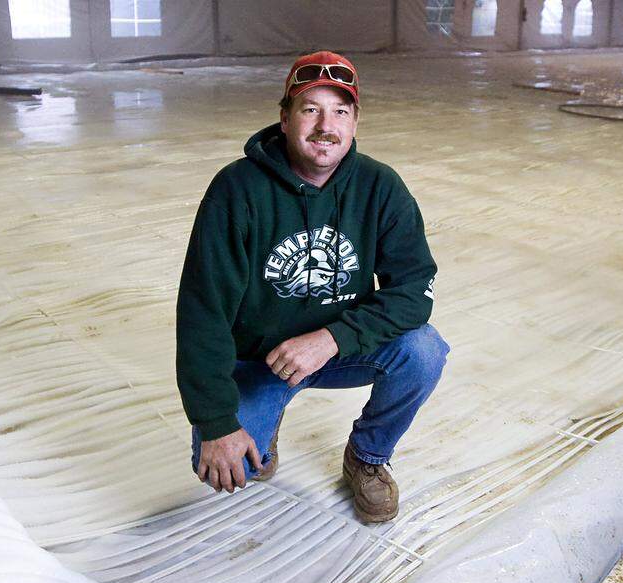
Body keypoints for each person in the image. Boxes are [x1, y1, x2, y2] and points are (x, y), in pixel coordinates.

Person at [176, 51, 449, 523]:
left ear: (355, 121)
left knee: (423, 351)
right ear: (284, 119)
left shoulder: (380, 187)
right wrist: (217, 422)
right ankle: (269, 414)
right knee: (229, 465)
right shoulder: (236, 190)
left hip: (339, 349)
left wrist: (330, 339)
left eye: (340, 112)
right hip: (259, 359)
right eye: (311, 109)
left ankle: (367, 457)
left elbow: (414, 288)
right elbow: (204, 312)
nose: (327, 125)